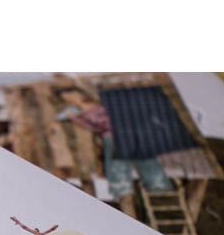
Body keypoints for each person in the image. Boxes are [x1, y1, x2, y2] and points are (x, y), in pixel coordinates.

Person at [56, 86, 174, 217]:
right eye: (67, 98)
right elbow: (94, 127)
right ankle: (122, 188)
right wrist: (75, 118)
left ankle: (158, 183)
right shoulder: (80, 111)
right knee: (116, 164)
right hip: (110, 136)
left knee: (142, 158)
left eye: (71, 95)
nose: (72, 99)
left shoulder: (99, 103)